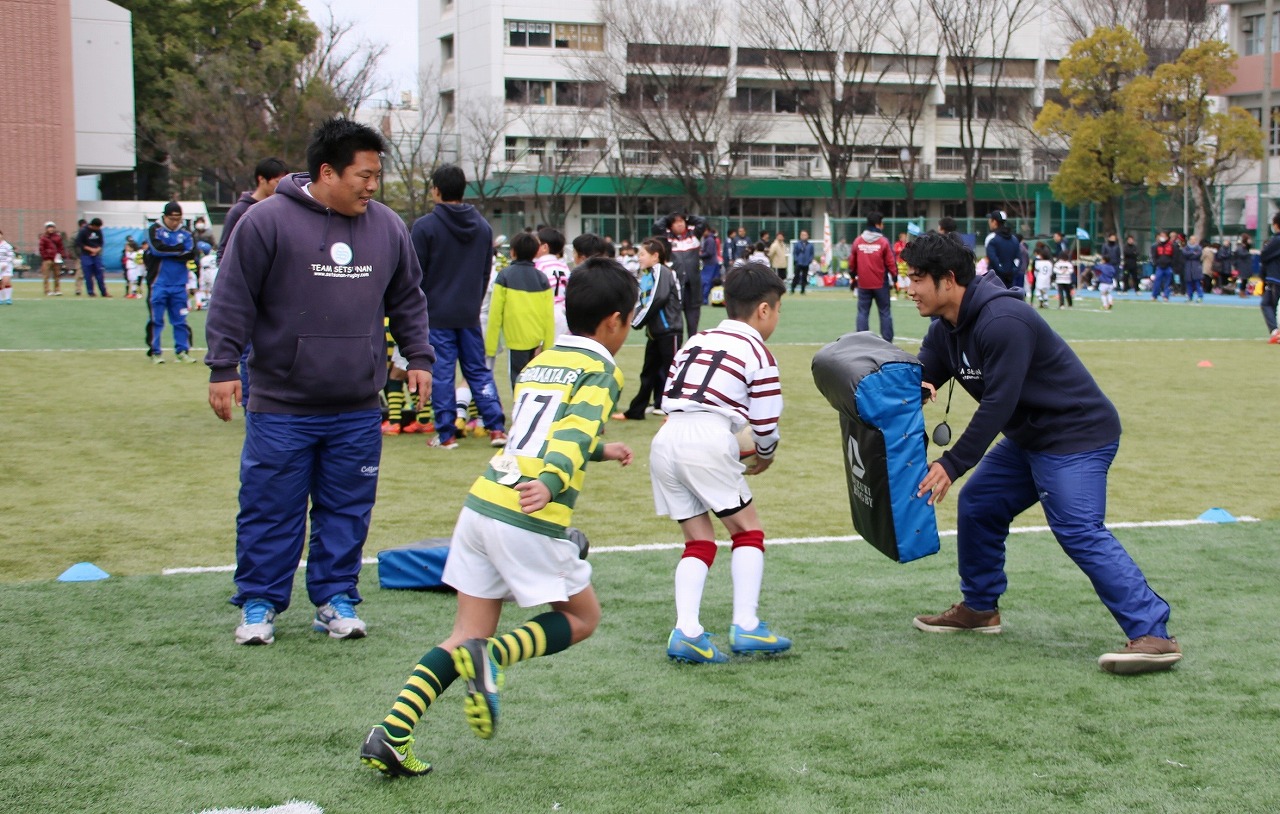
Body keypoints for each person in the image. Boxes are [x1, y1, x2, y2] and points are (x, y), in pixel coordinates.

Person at [359, 261, 637, 777]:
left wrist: (600, 451)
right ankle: (493, 660)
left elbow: (541, 429)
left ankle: (391, 733)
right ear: (615, 322)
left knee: (465, 632)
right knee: (582, 618)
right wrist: (555, 481)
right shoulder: (601, 369)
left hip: (483, 502)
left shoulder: (541, 360)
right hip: (527, 513)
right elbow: (569, 436)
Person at [903, 232, 1181, 675]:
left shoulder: (1003, 320)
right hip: (1031, 438)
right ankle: (980, 609)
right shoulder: (944, 330)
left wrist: (952, 463)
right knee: (979, 505)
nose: (909, 288)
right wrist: (890, 396)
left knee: (1076, 527)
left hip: (1078, 435)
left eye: (917, 279)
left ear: (948, 279)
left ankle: (1154, 634)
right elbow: (922, 379)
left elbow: (999, 403)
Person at [204, 117, 434, 646]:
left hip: (356, 404)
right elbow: (233, 297)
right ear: (327, 172)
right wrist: (222, 367)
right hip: (282, 403)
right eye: (364, 175)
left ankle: (335, 598)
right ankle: (259, 602)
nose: (373, 185)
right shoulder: (266, 222)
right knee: (270, 505)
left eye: (377, 174)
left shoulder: (388, 227)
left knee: (347, 508)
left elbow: (408, 299)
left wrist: (418, 356)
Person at [652, 262, 791, 664]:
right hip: (708, 438)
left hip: (667, 438)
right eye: (778, 309)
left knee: (698, 540)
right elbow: (765, 423)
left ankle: (687, 631)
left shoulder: (696, 340)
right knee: (748, 531)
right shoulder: (758, 352)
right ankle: (746, 625)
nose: (777, 317)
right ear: (764, 310)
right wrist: (764, 454)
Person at [412, 164, 507, 450]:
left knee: (441, 373)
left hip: (437, 312)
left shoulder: (425, 226)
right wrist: (472, 301)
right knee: (478, 371)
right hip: (468, 312)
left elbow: (415, 274)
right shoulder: (482, 227)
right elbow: (483, 273)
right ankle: (497, 427)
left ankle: (446, 433)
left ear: (436, 191)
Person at [613, 237, 682, 421]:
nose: (639, 258)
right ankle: (636, 411)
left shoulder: (662, 271)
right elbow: (641, 303)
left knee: (673, 372)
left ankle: (677, 412)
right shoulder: (646, 277)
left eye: (643, 254)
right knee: (648, 373)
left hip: (669, 331)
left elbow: (658, 298)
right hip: (655, 333)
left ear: (655, 256)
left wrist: (636, 322)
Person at [485, 231, 556, 390]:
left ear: (512, 252)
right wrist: (548, 346)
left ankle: (521, 411)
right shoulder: (542, 278)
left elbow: (495, 314)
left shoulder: (504, 276)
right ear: (536, 252)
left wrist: (490, 347)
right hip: (537, 340)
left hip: (515, 339)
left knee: (517, 379)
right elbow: (548, 316)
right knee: (535, 380)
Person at [147, 202, 198, 363]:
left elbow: (191, 253)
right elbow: (157, 249)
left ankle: (182, 351)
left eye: (179, 218)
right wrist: (178, 250)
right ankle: (155, 352)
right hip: (158, 283)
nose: (175, 222)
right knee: (156, 320)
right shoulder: (155, 229)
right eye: (172, 218)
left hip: (179, 284)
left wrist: (170, 250)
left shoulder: (186, 232)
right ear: (165, 216)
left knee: (180, 320)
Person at [219, 157, 288, 257]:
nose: (281, 186)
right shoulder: (238, 211)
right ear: (262, 179)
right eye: (277, 182)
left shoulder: (282, 209)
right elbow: (223, 251)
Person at [655, 212, 706, 337]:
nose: (679, 224)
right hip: (675, 285)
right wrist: (668, 218)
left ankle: (692, 346)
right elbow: (656, 226)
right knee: (676, 322)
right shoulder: (667, 237)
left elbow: (703, 221)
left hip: (693, 285)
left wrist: (688, 217)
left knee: (693, 322)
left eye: (681, 221)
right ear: (670, 225)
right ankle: (677, 346)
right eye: (676, 222)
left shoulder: (694, 235)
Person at [851, 212, 895, 343]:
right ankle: (887, 340)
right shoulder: (883, 242)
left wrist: (853, 276)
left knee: (863, 312)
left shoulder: (858, 241)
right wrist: (895, 276)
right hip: (880, 283)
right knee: (885, 312)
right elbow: (891, 262)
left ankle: (862, 340)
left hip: (863, 283)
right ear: (877, 224)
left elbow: (852, 262)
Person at [535, 227, 572, 337]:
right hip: (563, 315)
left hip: (546, 313)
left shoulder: (538, 266)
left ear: (545, 247)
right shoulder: (564, 267)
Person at [1257, 212, 1280, 343]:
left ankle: (1275, 332)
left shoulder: (1276, 240)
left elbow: (1264, 255)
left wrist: (1263, 275)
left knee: (1267, 304)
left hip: (1276, 277)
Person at [983, 211, 1020, 289]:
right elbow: (1018, 259)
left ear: (994, 222)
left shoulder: (991, 238)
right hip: (1010, 280)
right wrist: (1012, 272)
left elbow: (993, 259)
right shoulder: (1014, 239)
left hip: (994, 279)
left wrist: (1002, 270)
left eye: (990, 220)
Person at [78, 218, 108, 297]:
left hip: (96, 256)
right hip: (86, 256)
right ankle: (91, 292)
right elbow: (79, 243)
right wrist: (90, 249)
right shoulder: (83, 231)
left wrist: (97, 250)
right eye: (97, 227)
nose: (98, 229)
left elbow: (101, 243)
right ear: (93, 225)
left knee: (100, 274)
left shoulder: (99, 231)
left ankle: (104, 292)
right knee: (88, 275)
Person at [38, 221, 64, 296]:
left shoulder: (58, 237)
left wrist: (61, 255)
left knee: (57, 275)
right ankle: (47, 290)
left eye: (52, 227)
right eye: (49, 228)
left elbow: (60, 247)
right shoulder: (43, 238)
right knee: (46, 275)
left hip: (56, 258)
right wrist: (45, 256)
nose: (51, 229)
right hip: (47, 259)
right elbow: (41, 248)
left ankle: (57, 290)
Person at [699, 224, 721, 304]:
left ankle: (704, 299)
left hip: (710, 263)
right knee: (708, 281)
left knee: (706, 281)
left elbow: (709, 253)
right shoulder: (709, 239)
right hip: (711, 263)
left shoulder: (709, 240)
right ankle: (704, 299)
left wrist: (699, 255)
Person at [1150, 231, 1174, 302]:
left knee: (1168, 282)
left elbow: (1174, 256)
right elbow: (1154, 256)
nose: (1162, 237)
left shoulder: (1171, 246)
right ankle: (1154, 295)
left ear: (1167, 237)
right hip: (1160, 267)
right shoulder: (1157, 246)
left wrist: (1172, 264)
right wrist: (1156, 263)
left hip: (1168, 267)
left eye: (1164, 236)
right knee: (1157, 281)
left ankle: (1166, 296)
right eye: (1161, 236)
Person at [1182, 235, 1204, 304]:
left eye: (1194, 239)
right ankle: (1189, 297)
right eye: (1191, 239)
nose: (1193, 241)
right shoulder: (1186, 248)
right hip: (1188, 268)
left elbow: (1198, 255)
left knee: (1197, 284)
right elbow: (1184, 254)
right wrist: (1192, 253)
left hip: (1196, 268)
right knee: (1189, 284)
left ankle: (1200, 297)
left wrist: (1190, 254)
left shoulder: (1199, 248)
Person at [791, 229, 814, 295]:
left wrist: (810, 260)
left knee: (804, 277)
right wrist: (796, 259)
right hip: (799, 263)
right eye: (802, 235)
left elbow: (811, 254)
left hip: (806, 263)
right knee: (796, 276)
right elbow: (795, 253)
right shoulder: (797, 244)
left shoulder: (810, 245)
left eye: (805, 235)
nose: (803, 236)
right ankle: (793, 289)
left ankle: (803, 290)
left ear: (807, 236)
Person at [0, 229, 13, 305]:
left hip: (6, 266)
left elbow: (11, 256)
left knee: (6, 281)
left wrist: (5, 263)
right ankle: (1, 299)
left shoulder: (7, 245)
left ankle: (8, 298)